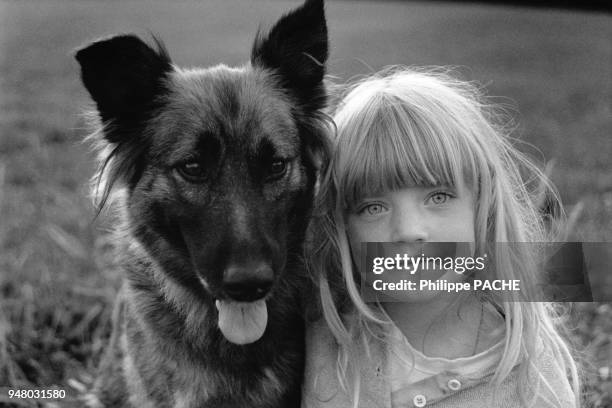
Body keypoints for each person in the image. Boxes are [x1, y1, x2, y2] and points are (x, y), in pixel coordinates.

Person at [302, 67, 580, 408]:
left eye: (438, 197)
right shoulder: (319, 346)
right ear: (341, 226)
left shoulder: (530, 373)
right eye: (373, 207)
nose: (408, 230)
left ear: (484, 206)